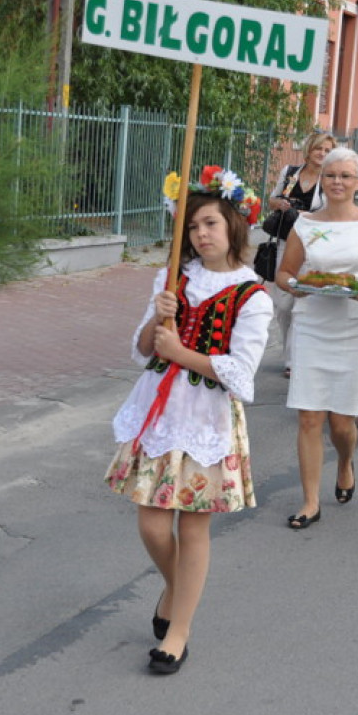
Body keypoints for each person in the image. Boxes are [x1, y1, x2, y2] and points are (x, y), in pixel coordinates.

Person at [105, 170, 273, 675]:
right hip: (159, 413)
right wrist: (158, 321)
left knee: (193, 528)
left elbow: (242, 378)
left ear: (233, 228)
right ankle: (177, 588)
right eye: (193, 226)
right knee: (153, 523)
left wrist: (182, 352)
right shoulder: (172, 279)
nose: (201, 234)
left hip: (206, 421)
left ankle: (179, 630)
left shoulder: (252, 296)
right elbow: (140, 352)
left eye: (210, 224)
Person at [276, 147, 358, 529]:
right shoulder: (304, 223)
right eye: (331, 175)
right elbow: (285, 272)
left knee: (342, 424)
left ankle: (345, 462)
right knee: (309, 418)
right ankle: (310, 501)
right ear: (323, 177)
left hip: (352, 325)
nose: (337, 182)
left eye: (346, 176)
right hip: (312, 323)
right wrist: (297, 287)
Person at [266, 132, 337, 376]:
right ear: (309, 150)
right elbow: (271, 199)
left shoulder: (329, 179)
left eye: (327, 151)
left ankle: (293, 360)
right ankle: (289, 352)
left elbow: (331, 213)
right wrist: (281, 204)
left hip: (313, 245)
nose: (322, 154)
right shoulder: (290, 172)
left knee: (303, 302)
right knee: (283, 304)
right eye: (319, 149)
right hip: (286, 242)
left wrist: (305, 215)